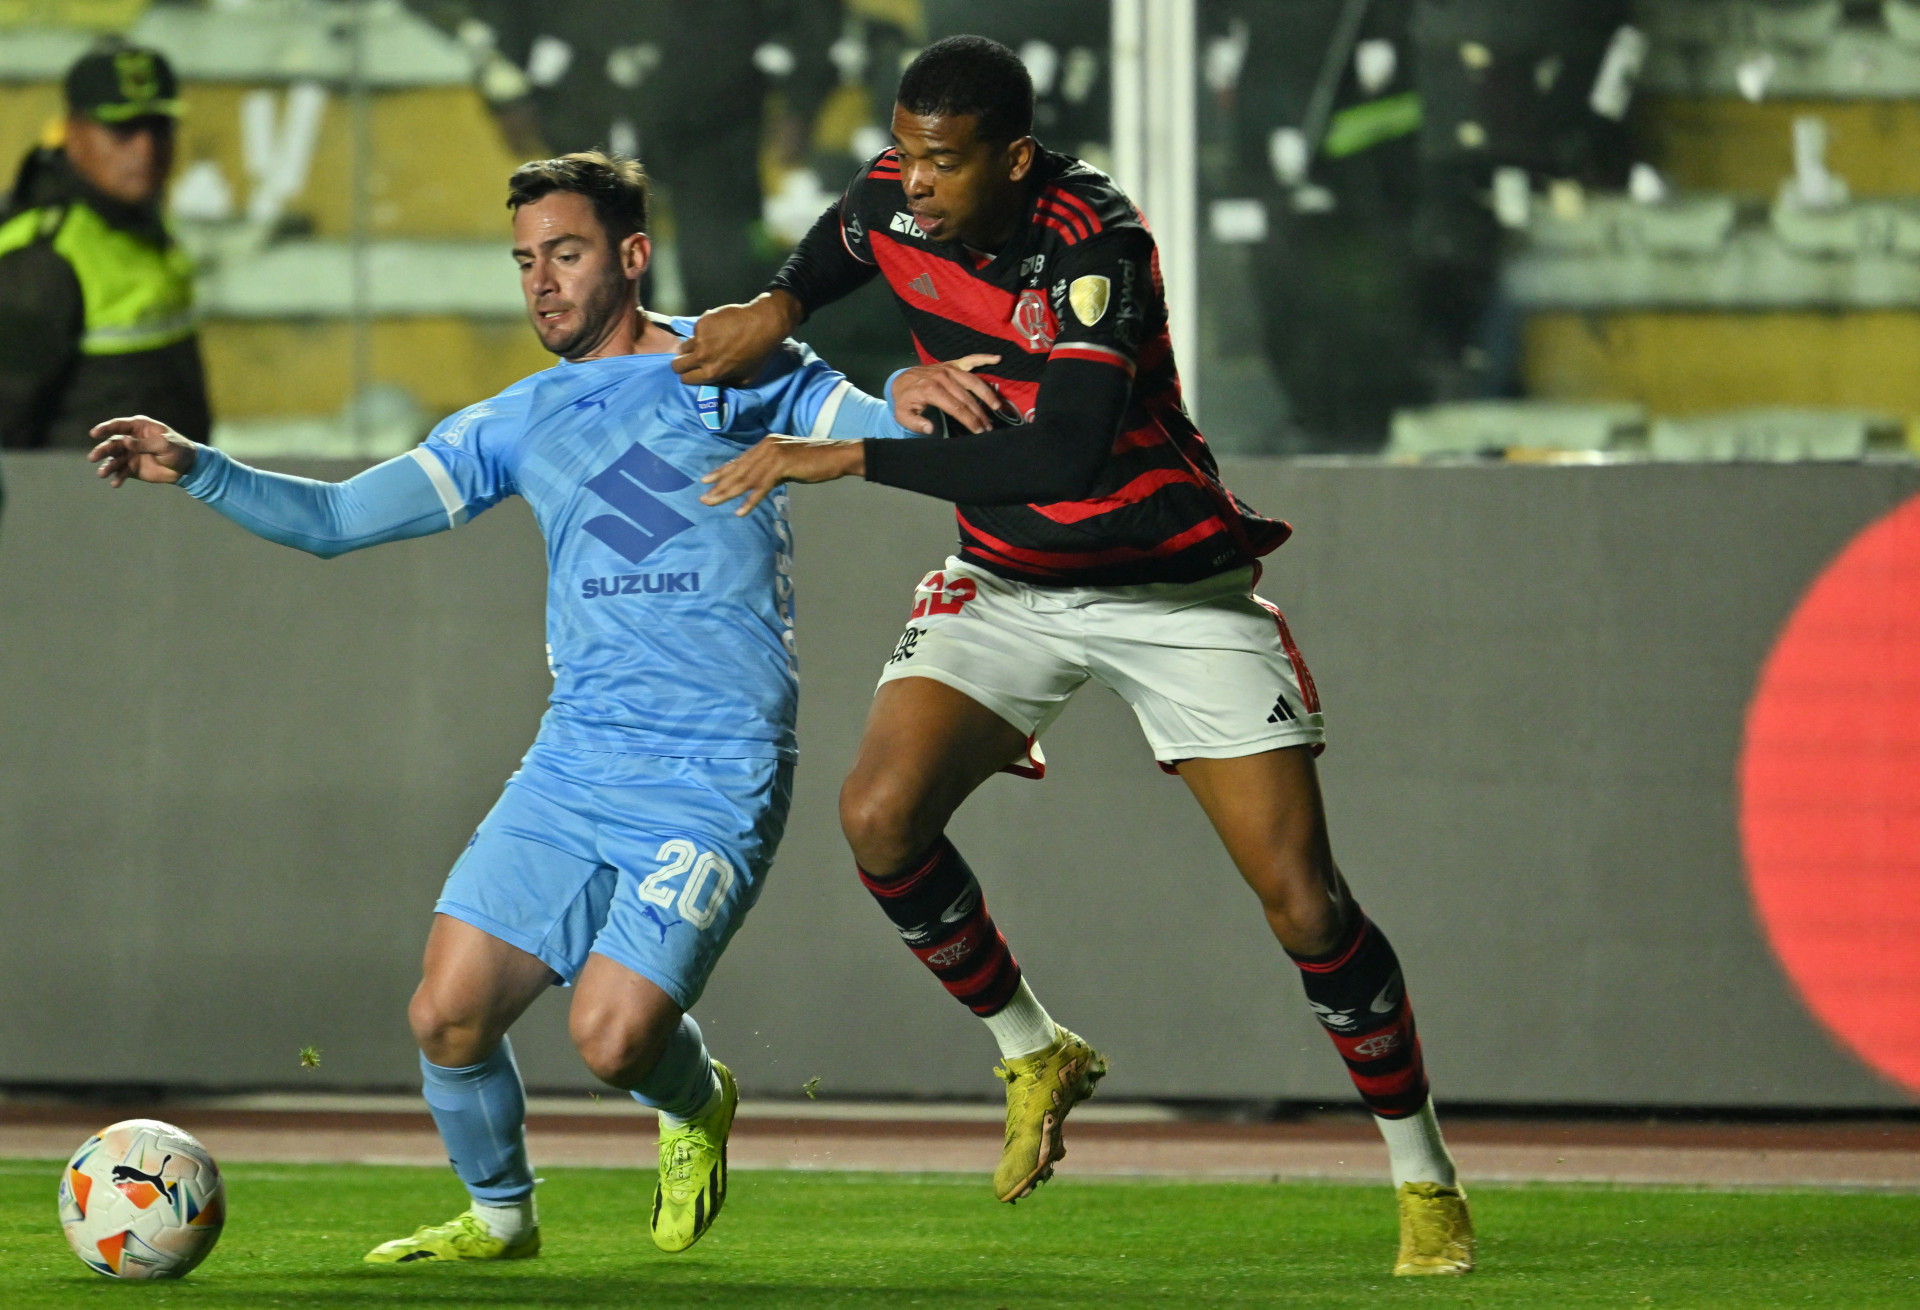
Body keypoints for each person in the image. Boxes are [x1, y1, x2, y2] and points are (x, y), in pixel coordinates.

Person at [680, 36, 1474, 1276]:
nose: (915, 183)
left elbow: (1064, 458)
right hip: (1006, 583)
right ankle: (1034, 1046)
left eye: (944, 163)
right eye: (905, 152)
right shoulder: (895, 192)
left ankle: (1425, 1173)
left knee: (1304, 901)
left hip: (1169, 589)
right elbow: (842, 241)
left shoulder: (1098, 245)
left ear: (1013, 156)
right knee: (879, 816)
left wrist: (850, 449)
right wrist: (778, 306)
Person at [88, 151, 918, 1265]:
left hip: (714, 764)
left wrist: (910, 403)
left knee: (615, 1041)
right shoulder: (516, 420)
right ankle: (501, 1218)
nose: (541, 282)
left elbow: (876, 427)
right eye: (525, 260)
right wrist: (199, 467)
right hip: (577, 760)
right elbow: (338, 518)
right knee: (447, 1013)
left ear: (632, 255)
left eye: (565, 254)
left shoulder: (734, 360)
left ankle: (697, 1098)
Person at [1, 40, 209, 450]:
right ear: (74, 133)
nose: (146, 149)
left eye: (159, 126)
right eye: (122, 129)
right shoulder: (44, 259)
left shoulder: (142, 223)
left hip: (160, 502)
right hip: (85, 506)